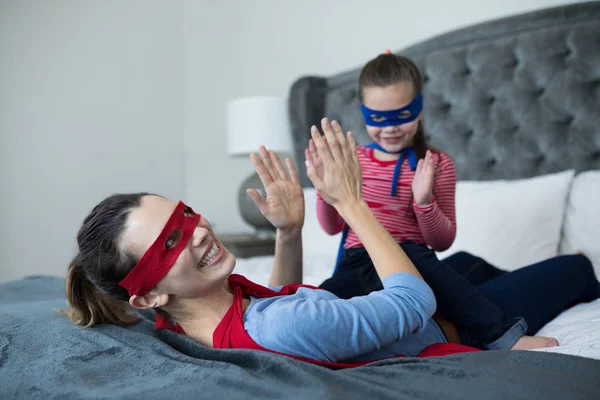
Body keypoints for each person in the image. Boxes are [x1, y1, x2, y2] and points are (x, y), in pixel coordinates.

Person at [60, 119, 599, 368]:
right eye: (170, 243)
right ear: (146, 296)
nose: (199, 231)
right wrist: (350, 203)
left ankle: (483, 279)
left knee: (463, 260)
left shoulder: (189, 321)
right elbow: (413, 301)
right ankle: (504, 329)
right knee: (575, 269)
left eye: (186, 215)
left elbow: (270, 302)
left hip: (394, 304)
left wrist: (289, 231)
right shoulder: (289, 327)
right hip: (438, 321)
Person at [311, 51, 594, 351]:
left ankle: (506, 327)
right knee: (321, 301)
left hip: (413, 262)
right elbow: (331, 228)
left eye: (402, 116)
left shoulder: (437, 164)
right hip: (360, 260)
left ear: (419, 109)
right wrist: (324, 191)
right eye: (378, 119)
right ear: (364, 112)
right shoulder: (352, 160)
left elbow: (442, 241)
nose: (391, 128)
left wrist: (424, 203)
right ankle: (529, 305)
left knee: (461, 263)